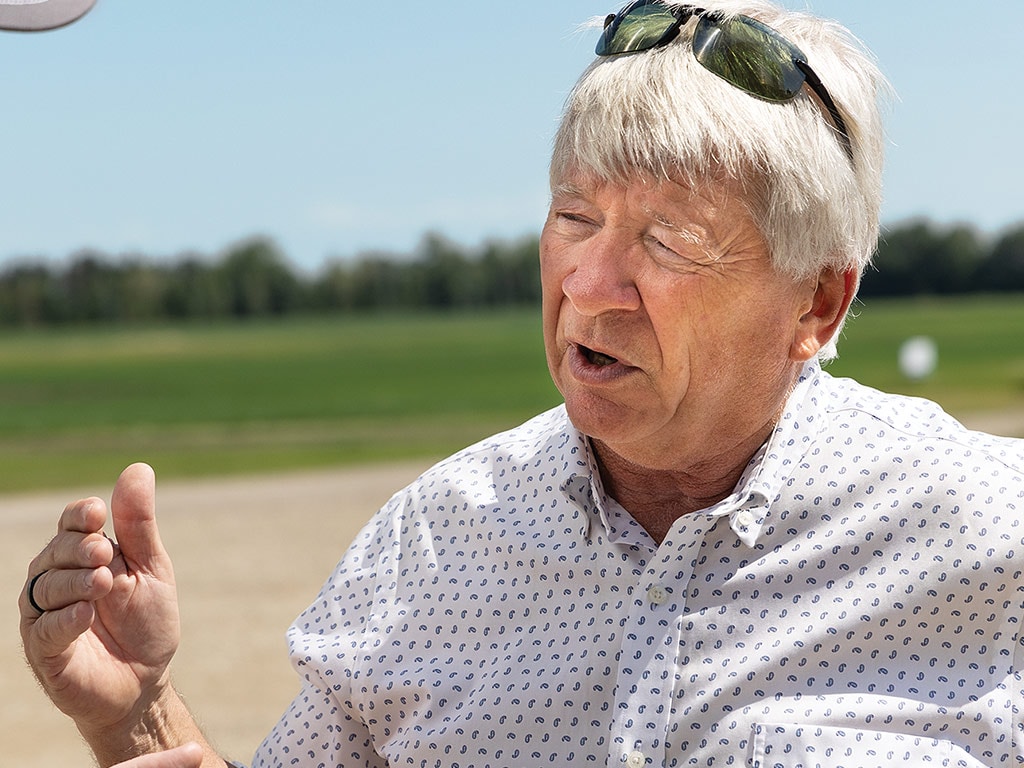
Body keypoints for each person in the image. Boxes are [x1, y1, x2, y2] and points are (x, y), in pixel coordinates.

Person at [19, 1, 1024, 766]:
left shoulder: (990, 537)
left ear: (816, 305)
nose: (588, 286)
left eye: (668, 240)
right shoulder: (432, 543)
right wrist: (132, 711)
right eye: (574, 219)